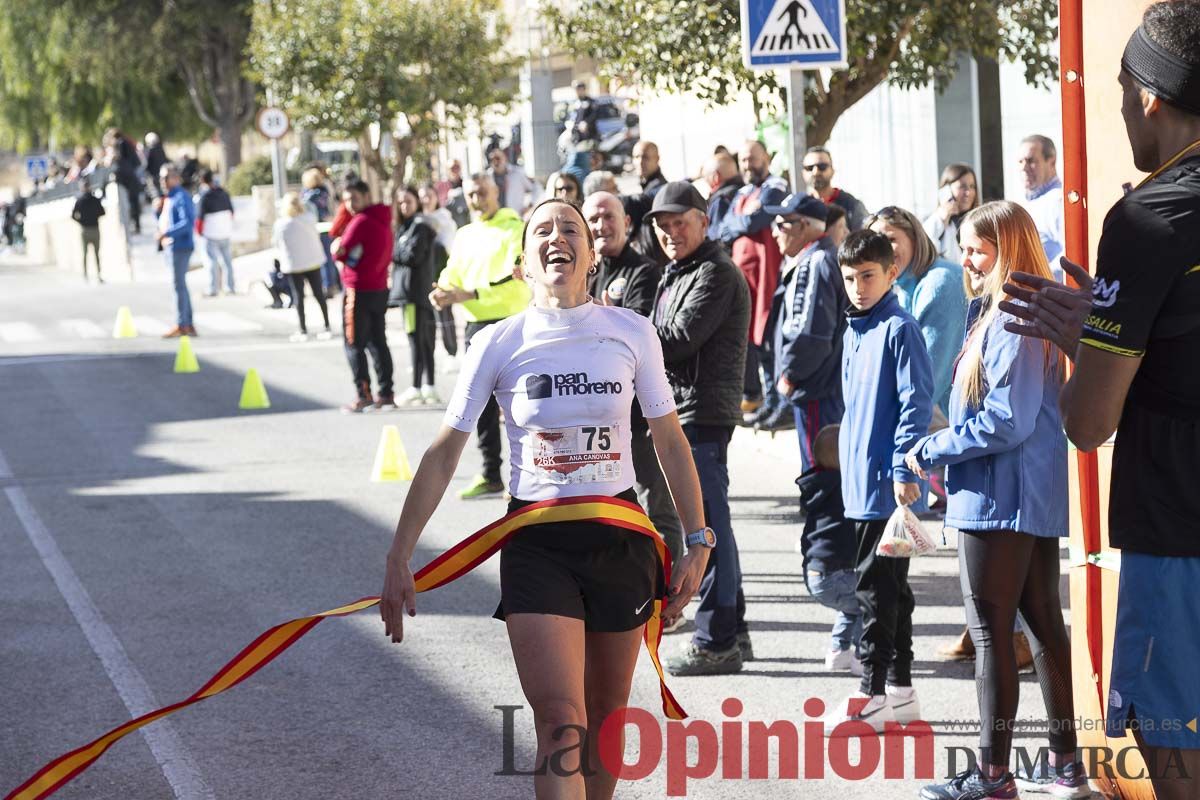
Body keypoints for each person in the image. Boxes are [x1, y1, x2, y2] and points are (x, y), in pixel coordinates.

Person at [379, 197, 710, 800]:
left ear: (591, 255)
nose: (557, 236)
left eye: (570, 228)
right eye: (542, 230)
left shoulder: (631, 332)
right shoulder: (497, 343)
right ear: (523, 265)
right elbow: (444, 451)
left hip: (620, 541)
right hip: (537, 545)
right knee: (562, 722)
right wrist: (400, 554)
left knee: (608, 718)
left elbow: (668, 436)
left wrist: (696, 537)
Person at [1002, 4, 1200, 797]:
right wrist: (1123, 328)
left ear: (1148, 96)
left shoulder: (1149, 215)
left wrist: (1095, 342)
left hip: (1177, 529)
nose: (1120, 113)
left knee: (1173, 752)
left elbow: (1089, 423)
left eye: (1121, 94)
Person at [903, 201, 1082, 800]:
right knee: (1039, 629)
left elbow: (1007, 421)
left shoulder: (1012, 317)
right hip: (1016, 495)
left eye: (978, 249)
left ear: (1008, 250)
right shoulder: (1018, 313)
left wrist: (935, 448)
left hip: (999, 497)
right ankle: (1063, 770)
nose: (967, 260)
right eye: (965, 248)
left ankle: (993, 776)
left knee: (993, 633)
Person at [822, 229, 933, 735]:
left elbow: (915, 405)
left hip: (887, 486)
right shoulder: (855, 328)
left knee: (874, 590)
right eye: (849, 278)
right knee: (892, 591)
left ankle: (871, 692)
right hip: (860, 484)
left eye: (868, 276)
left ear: (891, 272)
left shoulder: (900, 327)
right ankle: (903, 691)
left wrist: (904, 470)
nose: (858, 286)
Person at [646, 182, 753, 676]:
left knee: (705, 532)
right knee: (714, 529)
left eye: (680, 223)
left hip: (703, 414)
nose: (671, 233)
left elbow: (678, 340)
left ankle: (717, 641)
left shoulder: (716, 272)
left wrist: (620, 322)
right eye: (662, 226)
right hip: (685, 410)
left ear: (704, 222)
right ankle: (735, 631)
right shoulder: (679, 271)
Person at [583, 191, 685, 571]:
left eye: (609, 217)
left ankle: (667, 595)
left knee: (658, 505)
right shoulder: (582, 273)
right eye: (592, 219)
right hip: (596, 416)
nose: (600, 226)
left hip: (640, 416)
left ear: (627, 222)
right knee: (613, 508)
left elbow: (636, 334)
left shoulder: (643, 271)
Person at [429, 173, 531, 498]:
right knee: (481, 406)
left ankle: (525, 477)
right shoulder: (465, 234)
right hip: (476, 326)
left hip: (511, 322)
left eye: (483, 193)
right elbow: (452, 271)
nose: (477, 199)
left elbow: (512, 279)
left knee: (522, 404)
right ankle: (491, 474)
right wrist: (443, 290)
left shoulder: (515, 229)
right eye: (471, 194)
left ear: (496, 191)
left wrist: (469, 294)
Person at [762, 193, 847, 472]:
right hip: (818, 387)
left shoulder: (816, 262)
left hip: (815, 388)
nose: (775, 232)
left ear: (804, 226)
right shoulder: (812, 259)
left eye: (782, 224)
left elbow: (810, 335)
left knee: (819, 470)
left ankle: (822, 517)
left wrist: (790, 374)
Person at [866, 206, 968, 417]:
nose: (882, 250)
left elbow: (926, 381)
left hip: (962, 424)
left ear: (914, 238)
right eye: (875, 242)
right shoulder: (901, 284)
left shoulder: (940, 283)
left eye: (890, 239)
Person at [717, 140, 790, 427]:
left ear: (767, 159)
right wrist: (742, 220)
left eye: (753, 159)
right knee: (754, 345)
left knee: (771, 342)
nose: (748, 165)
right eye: (744, 160)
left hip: (767, 280)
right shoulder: (743, 193)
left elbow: (757, 220)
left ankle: (777, 404)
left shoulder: (776, 186)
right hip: (744, 281)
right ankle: (768, 402)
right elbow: (723, 228)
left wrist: (742, 220)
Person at [798, 425, 862, 676]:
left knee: (851, 604)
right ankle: (863, 654)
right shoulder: (845, 489)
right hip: (834, 572)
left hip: (814, 573)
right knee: (867, 601)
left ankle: (838, 652)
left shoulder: (818, 488)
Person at [333, 180, 395, 413]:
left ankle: (364, 394)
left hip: (357, 289)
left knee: (353, 344)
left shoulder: (359, 222)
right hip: (379, 287)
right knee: (378, 341)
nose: (350, 204)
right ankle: (386, 393)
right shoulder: (384, 218)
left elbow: (340, 251)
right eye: (346, 200)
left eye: (354, 199)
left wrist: (337, 251)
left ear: (366, 195)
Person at [390, 185, 441, 406]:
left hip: (417, 294)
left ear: (417, 202)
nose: (404, 206)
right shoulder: (404, 228)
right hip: (408, 295)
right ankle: (423, 387)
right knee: (417, 340)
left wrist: (396, 253)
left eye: (408, 201)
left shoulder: (420, 227)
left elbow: (412, 255)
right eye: (400, 202)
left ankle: (420, 387)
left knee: (421, 341)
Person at [272, 192, 332, 342]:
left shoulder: (281, 224)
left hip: (294, 264)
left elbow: (276, 243)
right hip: (313, 261)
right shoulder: (310, 219)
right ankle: (326, 324)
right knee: (318, 294)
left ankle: (303, 329)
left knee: (298, 297)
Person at [1015, 134, 1065, 275]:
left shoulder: (1057, 201)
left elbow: (1072, 252)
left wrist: (1042, 279)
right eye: (1020, 162)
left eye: (1031, 161)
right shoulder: (1029, 202)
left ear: (1052, 162)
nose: (1024, 168)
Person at [156, 165, 197, 338]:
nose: (164, 182)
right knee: (180, 285)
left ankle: (182, 324)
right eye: (162, 178)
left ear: (176, 179)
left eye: (167, 178)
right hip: (171, 246)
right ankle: (187, 323)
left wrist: (167, 233)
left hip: (180, 246)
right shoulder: (168, 198)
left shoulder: (181, 196)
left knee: (178, 285)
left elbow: (187, 223)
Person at [623, 140, 669, 266]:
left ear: (657, 159)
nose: (640, 162)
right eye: (636, 157)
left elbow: (643, 200)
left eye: (645, 157)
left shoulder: (660, 188)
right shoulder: (647, 185)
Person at [922, 163, 979, 263]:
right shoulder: (936, 223)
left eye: (972, 186)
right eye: (962, 186)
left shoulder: (978, 221)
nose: (968, 192)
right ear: (946, 190)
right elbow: (925, 252)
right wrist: (941, 219)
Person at [802, 146, 868, 231]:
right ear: (803, 173)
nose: (815, 172)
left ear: (832, 171)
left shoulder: (851, 205)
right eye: (809, 168)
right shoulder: (800, 206)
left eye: (822, 166)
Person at [302, 167, 342, 299]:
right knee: (329, 259)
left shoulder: (312, 195)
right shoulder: (325, 191)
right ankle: (335, 284)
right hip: (328, 227)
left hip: (319, 228)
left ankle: (328, 285)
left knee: (324, 259)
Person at [197, 170, 236, 297]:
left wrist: (199, 232)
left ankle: (213, 288)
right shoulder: (224, 193)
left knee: (211, 262)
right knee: (227, 262)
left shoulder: (205, 196)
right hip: (225, 232)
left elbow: (200, 218)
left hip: (210, 234)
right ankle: (230, 287)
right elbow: (231, 212)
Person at [703, 151, 744, 243]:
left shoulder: (720, 201)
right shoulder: (747, 192)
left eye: (706, 177)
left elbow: (715, 238)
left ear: (716, 177)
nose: (705, 182)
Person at [487, 149, 541, 216]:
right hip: (495, 219)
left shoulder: (518, 173)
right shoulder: (487, 177)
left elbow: (537, 188)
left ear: (505, 158)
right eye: (491, 159)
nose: (495, 162)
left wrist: (530, 205)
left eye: (498, 158)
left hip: (516, 217)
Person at [71, 180, 105, 283]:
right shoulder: (93, 200)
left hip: (86, 229)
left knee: (87, 253)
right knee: (93, 253)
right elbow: (102, 212)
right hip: (93, 228)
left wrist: (82, 221)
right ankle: (95, 275)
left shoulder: (81, 200)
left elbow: (73, 215)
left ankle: (88, 275)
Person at [144, 133, 168, 197]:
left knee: (156, 192)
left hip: (154, 175)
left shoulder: (149, 150)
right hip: (161, 174)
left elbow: (146, 163)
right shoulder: (160, 149)